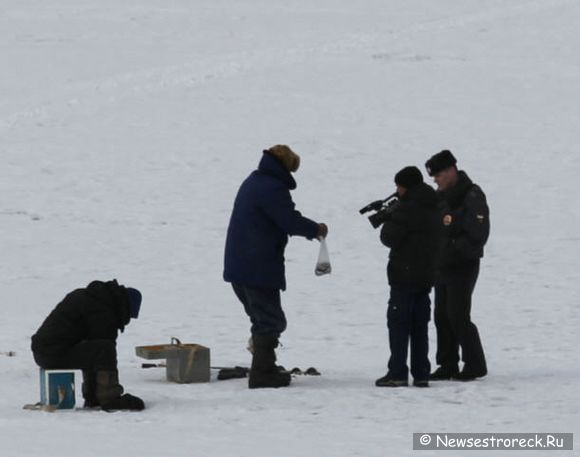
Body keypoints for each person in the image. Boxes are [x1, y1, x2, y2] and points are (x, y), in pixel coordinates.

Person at [224, 145, 328, 389]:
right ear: (285, 166)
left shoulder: (254, 181)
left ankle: (265, 366)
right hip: (257, 266)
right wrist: (316, 230)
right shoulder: (271, 187)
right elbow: (288, 220)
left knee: (262, 318)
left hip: (240, 265)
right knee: (270, 321)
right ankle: (262, 373)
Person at [425, 150, 490, 381]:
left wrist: (453, 249)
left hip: (463, 265)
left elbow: (478, 234)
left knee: (458, 315)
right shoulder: (441, 197)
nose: (436, 180)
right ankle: (447, 363)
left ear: (451, 170)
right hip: (442, 266)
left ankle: (474, 364)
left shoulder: (472, 195)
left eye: (439, 175)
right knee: (441, 315)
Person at [31, 279, 145, 411]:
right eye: (129, 316)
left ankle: (94, 397)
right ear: (126, 307)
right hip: (52, 354)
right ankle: (110, 398)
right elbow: (103, 351)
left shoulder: (93, 298)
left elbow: (91, 351)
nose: (127, 321)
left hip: (44, 351)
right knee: (104, 349)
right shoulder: (103, 311)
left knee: (96, 349)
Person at [375, 166, 439, 388]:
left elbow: (388, 237)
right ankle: (421, 373)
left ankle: (397, 373)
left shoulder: (407, 208)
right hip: (426, 275)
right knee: (420, 326)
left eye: (399, 186)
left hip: (404, 275)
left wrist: (390, 217)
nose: (397, 190)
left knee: (399, 324)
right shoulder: (434, 203)